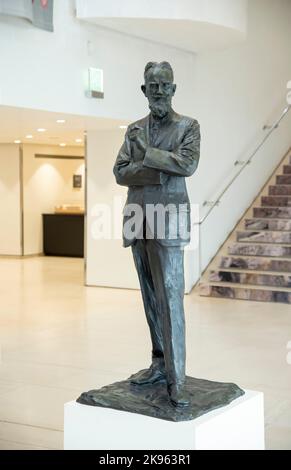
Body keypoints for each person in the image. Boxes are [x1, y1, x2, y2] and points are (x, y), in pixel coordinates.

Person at [113, 61, 200, 407]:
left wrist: (148, 156)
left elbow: (187, 164)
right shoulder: (133, 128)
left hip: (169, 220)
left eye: (165, 85)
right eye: (153, 85)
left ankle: (177, 378)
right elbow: (120, 172)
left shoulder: (188, 126)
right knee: (150, 299)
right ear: (144, 90)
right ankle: (159, 365)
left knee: (170, 300)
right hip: (138, 218)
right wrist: (153, 172)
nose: (159, 91)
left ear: (174, 89)